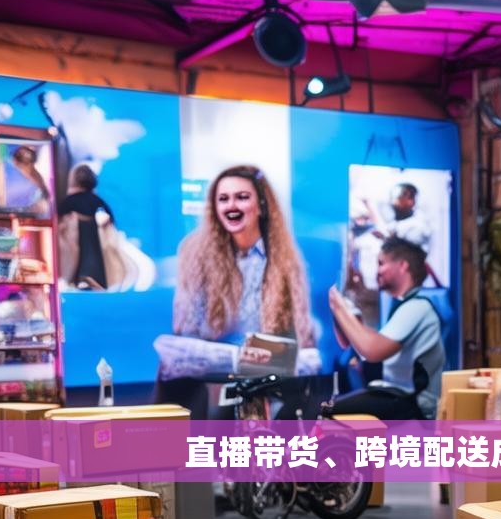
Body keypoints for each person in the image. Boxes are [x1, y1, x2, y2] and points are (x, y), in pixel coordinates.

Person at [158, 164, 319, 417]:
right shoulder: (194, 253)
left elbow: (304, 350)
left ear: (261, 205)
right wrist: (256, 356)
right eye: (223, 199)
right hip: (213, 382)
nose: (231, 206)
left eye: (242, 197)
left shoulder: (287, 260)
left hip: (269, 384)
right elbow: (187, 341)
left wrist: (256, 358)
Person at [326, 237, 444, 420]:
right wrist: (342, 311)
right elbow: (350, 343)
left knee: (326, 410)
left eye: (381, 264)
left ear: (403, 265)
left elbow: (372, 350)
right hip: (397, 395)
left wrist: (338, 306)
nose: (377, 271)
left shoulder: (418, 307)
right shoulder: (404, 306)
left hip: (412, 404)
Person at [58, 164, 115, 290]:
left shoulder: (70, 200)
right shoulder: (95, 199)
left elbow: (59, 216)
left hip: (77, 234)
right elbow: (110, 216)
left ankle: (78, 279)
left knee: (80, 258)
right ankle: (92, 279)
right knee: (92, 257)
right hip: (91, 232)